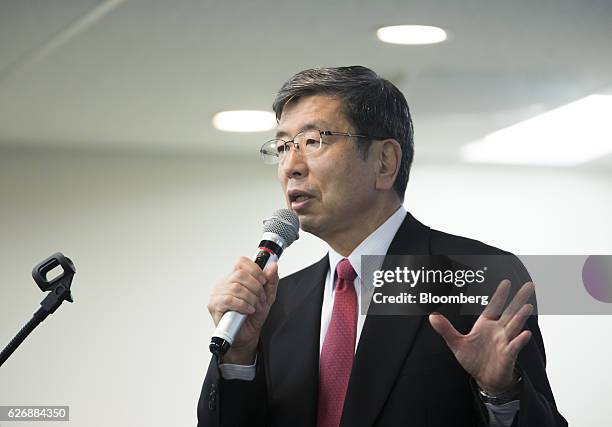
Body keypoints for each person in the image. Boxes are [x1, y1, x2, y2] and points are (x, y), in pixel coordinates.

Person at [197, 66, 567, 426]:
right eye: (282, 147)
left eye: (313, 141)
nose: (291, 166)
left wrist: (500, 393)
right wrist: (239, 357)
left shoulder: (477, 277)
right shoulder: (277, 303)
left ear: (384, 162)